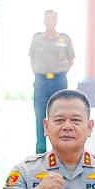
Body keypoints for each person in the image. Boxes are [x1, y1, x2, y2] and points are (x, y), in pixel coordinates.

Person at [30, 10, 75, 153]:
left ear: (56, 21)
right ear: (44, 21)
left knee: (60, 115)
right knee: (40, 114)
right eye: (48, 19)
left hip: (59, 81)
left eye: (53, 19)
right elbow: (32, 58)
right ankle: (40, 150)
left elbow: (71, 59)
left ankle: (60, 148)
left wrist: (60, 73)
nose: (50, 22)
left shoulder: (65, 39)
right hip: (41, 81)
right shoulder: (37, 38)